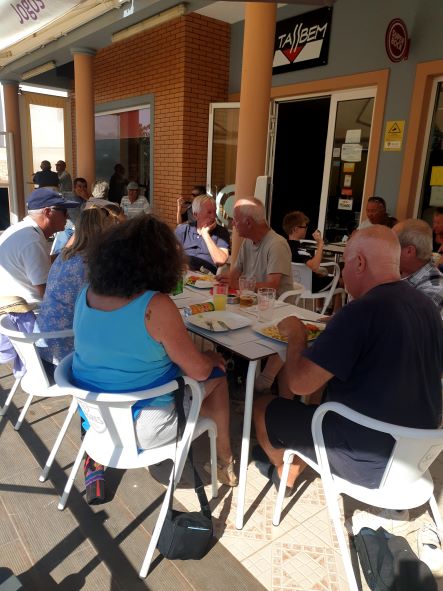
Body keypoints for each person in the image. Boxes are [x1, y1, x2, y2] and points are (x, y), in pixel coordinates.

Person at [254, 225, 443, 493]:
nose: (341, 275)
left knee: (262, 407)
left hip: (370, 459)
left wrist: (297, 334)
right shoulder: (426, 306)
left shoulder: (360, 311)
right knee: (321, 394)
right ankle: (297, 459)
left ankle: (286, 472)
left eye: (343, 264)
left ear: (360, 263)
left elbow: (298, 384)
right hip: (419, 450)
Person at [72, 215, 237, 502]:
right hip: (143, 427)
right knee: (218, 377)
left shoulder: (86, 294)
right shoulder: (156, 305)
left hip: (96, 420)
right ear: (158, 262)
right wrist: (211, 358)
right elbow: (198, 371)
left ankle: (218, 450)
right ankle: (225, 460)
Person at [37, 208, 113, 365]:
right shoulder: (89, 263)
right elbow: (108, 305)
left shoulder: (65, 255)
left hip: (43, 344)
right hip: (65, 351)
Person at [0, 188, 79, 304]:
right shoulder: (32, 240)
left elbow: (39, 264)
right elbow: (47, 293)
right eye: (64, 211)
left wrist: (70, 251)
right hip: (29, 311)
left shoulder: (24, 231)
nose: (67, 216)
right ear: (47, 212)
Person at [222, 197, 292, 297]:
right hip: (250, 301)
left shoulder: (277, 244)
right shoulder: (247, 241)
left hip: (274, 306)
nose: (233, 224)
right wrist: (225, 280)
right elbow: (236, 272)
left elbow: (272, 286)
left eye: (235, 220)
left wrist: (238, 285)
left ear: (248, 223)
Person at [393, 218, 443, 309]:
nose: (386, 251)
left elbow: (404, 321)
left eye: (392, 246)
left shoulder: (434, 288)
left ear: (409, 251)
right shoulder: (394, 274)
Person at [175, 194, 229, 274]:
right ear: (195, 215)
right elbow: (170, 255)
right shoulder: (183, 230)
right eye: (209, 212)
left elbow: (220, 261)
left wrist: (205, 235)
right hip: (185, 275)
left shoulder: (221, 232)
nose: (213, 216)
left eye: (215, 211)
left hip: (207, 279)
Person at [282, 210, 331, 292]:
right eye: (304, 227)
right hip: (310, 285)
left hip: (294, 283)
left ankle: (320, 305)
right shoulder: (299, 250)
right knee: (340, 281)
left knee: (322, 275)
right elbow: (315, 266)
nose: (306, 229)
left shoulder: (284, 246)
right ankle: (340, 305)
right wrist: (320, 243)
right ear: (295, 229)